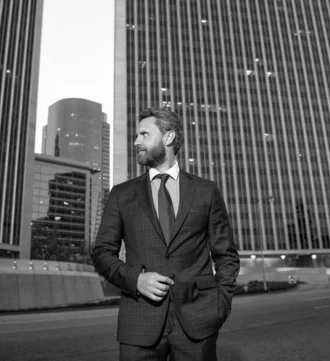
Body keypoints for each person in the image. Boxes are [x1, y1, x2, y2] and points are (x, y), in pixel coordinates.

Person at [92, 107, 240, 360]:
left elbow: (226, 256)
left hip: (198, 322)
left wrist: (221, 304)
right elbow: (102, 253)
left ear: (168, 138)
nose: (136, 141)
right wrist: (135, 279)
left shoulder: (206, 191)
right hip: (139, 323)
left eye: (144, 134)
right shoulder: (121, 194)